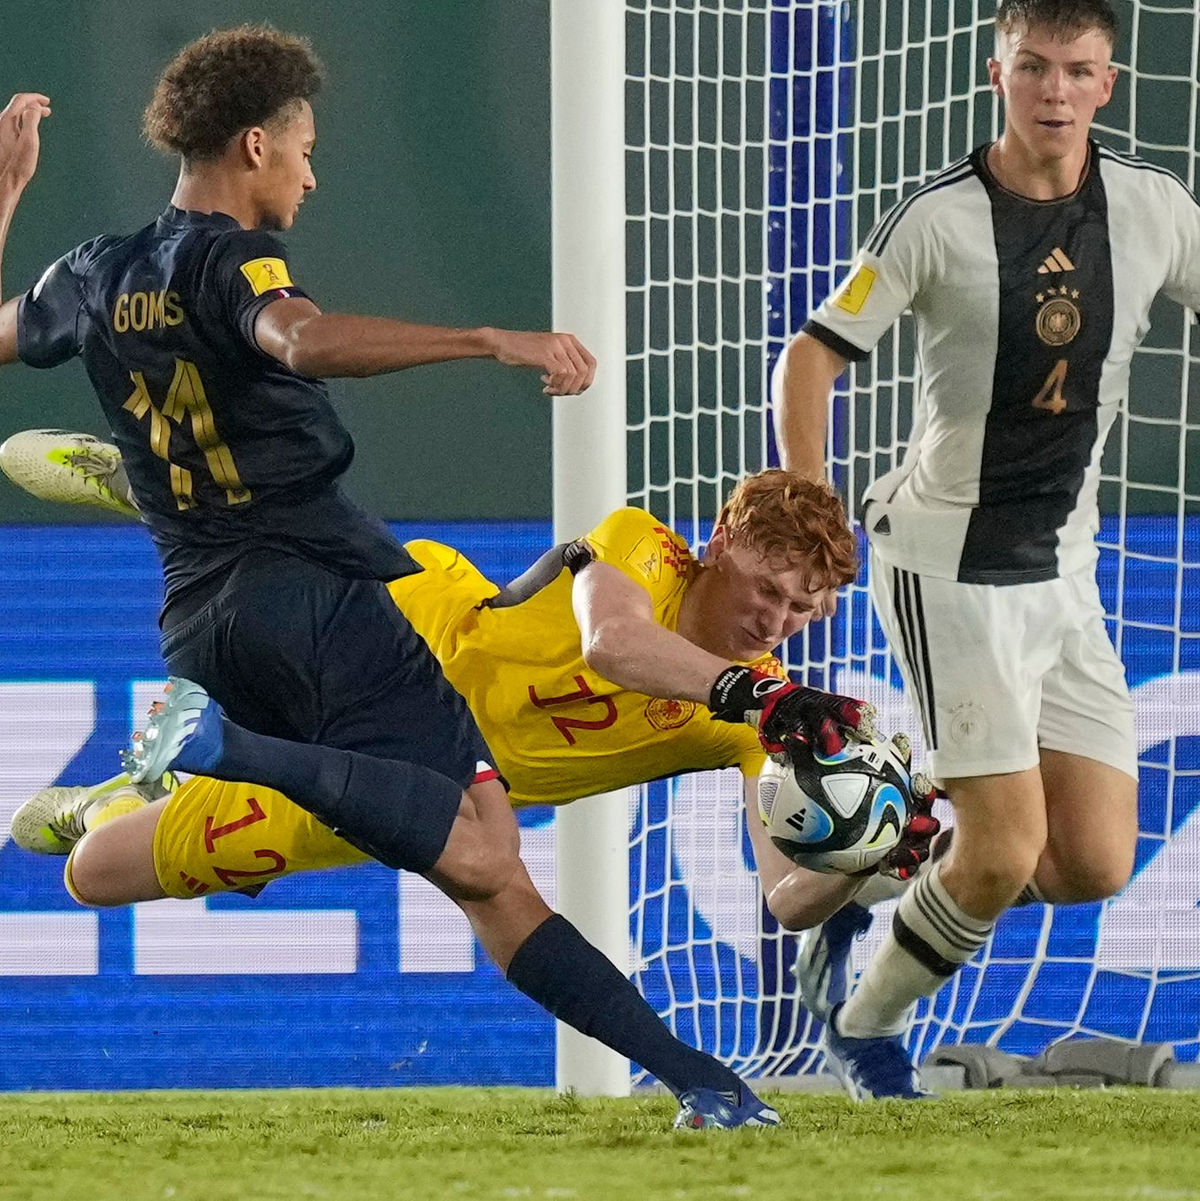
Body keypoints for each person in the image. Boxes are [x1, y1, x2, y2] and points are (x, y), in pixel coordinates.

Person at [0, 26, 862, 1128]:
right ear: (255, 144)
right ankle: (220, 745)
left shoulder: (93, 269)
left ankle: (709, 1085)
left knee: (467, 874)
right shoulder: (237, 262)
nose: (313, 172)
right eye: (305, 149)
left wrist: (9, 194)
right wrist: (486, 339)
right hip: (323, 602)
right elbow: (302, 343)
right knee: (488, 857)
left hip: (206, 620)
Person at [772, 0, 1200, 1099]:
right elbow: (809, 361)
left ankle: (893, 836)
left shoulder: (1155, 211)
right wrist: (811, 509)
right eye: (1034, 68)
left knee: (1091, 863)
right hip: (944, 566)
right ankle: (861, 1029)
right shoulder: (936, 220)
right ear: (995, 74)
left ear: (1108, 85)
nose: (1055, 90)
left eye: (1078, 71)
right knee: (1005, 853)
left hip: (1063, 573)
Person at [9, 456, 937, 929]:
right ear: (724, 539)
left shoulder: (753, 722)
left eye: (801, 610)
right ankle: (152, 487)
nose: (777, 620)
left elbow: (782, 897)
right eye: (768, 589)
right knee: (270, 540)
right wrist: (761, 699)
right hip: (417, 623)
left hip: (407, 780)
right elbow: (615, 645)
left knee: (94, 875)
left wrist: (868, 857)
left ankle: (110, 802)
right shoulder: (643, 546)